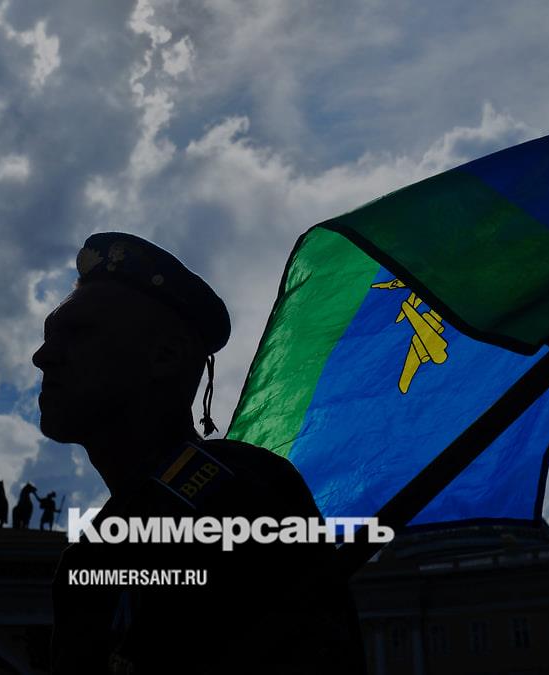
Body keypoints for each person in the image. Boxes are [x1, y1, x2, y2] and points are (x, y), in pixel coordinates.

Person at [33, 232, 366, 674]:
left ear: (166, 356)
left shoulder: (239, 497)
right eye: (49, 336)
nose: (43, 356)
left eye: (78, 333)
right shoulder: (92, 551)